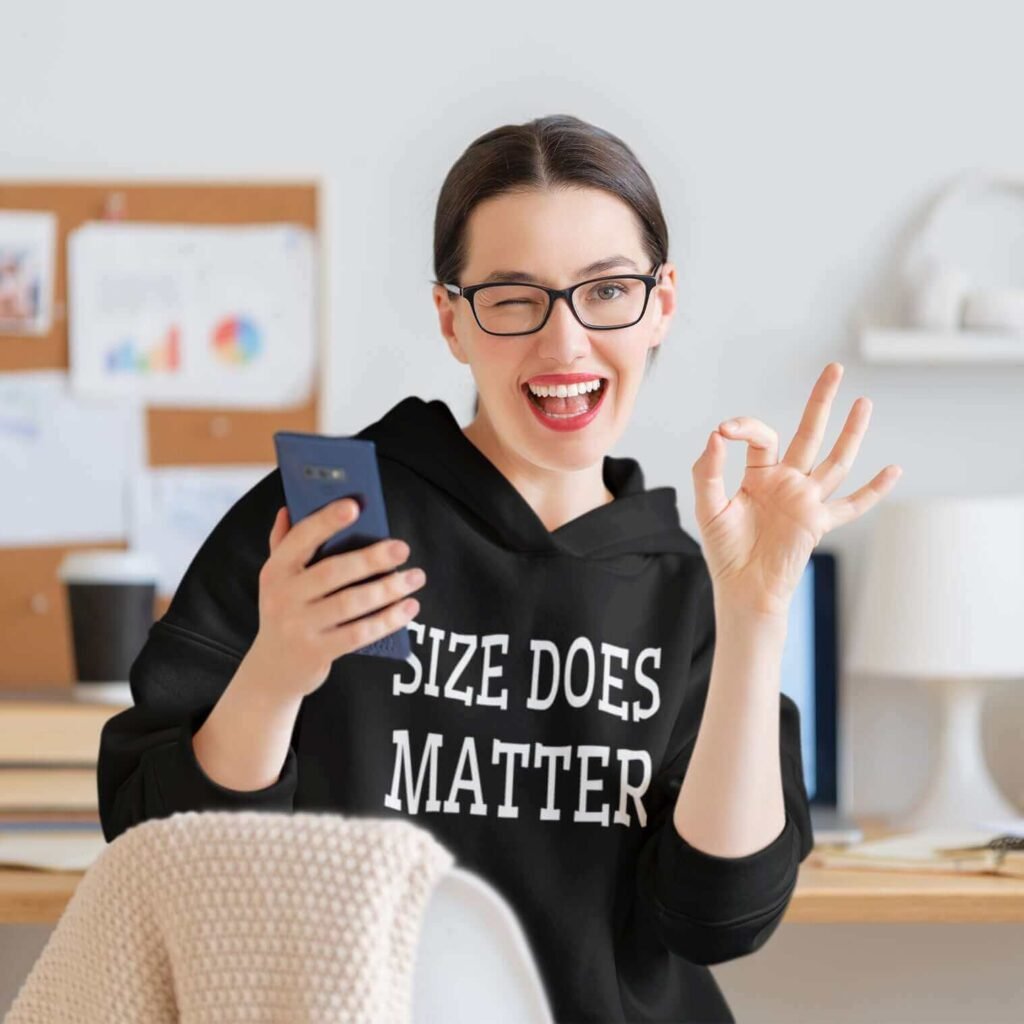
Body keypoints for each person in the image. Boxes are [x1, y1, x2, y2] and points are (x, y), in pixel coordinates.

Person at [98, 113, 902, 1023]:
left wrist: (756, 617)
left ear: (661, 304)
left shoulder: (692, 585)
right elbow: (152, 849)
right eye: (514, 298)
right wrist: (276, 675)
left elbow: (719, 919)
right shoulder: (319, 527)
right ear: (451, 318)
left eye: (606, 292)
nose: (564, 347)